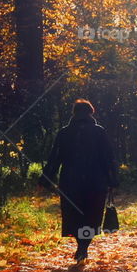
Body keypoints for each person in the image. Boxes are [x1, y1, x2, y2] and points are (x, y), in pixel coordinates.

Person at [38, 99, 119, 263]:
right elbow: (108, 159)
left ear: (74, 113)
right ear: (91, 113)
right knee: (91, 215)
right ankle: (83, 247)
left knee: (73, 215)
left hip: (70, 182)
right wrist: (113, 181)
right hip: (96, 182)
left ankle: (81, 246)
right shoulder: (99, 132)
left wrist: (45, 180)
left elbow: (55, 158)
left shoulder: (64, 133)